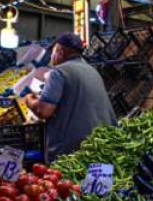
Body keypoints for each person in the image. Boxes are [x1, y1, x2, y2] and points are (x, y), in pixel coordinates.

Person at [25, 32, 117, 161]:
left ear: (60, 52)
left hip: (73, 152)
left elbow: (44, 111)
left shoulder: (59, 72)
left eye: (52, 52)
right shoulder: (92, 70)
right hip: (101, 146)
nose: (51, 57)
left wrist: (30, 100)